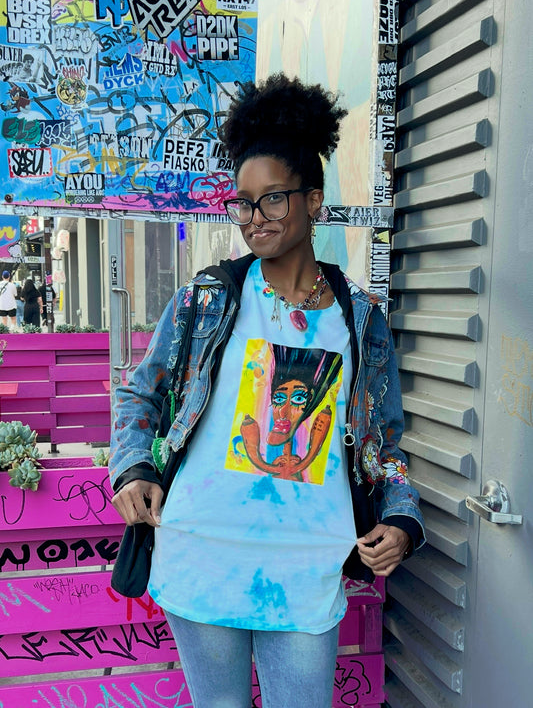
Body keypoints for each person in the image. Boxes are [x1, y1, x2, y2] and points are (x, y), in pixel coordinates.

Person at [109, 74, 425, 708]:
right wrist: (132, 467)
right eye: (244, 203)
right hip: (202, 554)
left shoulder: (360, 319)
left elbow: (384, 444)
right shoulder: (207, 299)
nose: (255, 219)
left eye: (273, 199)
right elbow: (140, 393)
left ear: (314, 200)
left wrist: (401, 519)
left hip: (307, 568)